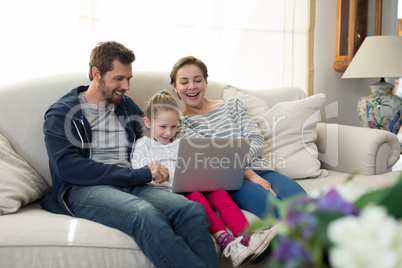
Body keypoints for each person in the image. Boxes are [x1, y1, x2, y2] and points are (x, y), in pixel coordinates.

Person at [40, 41, 219, 268]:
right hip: (83, 189)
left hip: (130, 183)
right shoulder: (62, 113)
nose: (126, 86)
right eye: (119, 79)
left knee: (191, 210)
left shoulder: (125, 106)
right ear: (97, 74)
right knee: (143, 214)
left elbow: (158, 135)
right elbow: (68, 167)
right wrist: (141, 174)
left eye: (129, 79)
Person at [131, 90, 277, 267]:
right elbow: (139, 170)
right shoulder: (143, 145)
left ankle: (247, 237)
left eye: (174, 127)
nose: (168, 132)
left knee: (220, 193)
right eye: (163, 127)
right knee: (198, 199)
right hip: (171, 192)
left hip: (193, 183)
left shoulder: (179, 143)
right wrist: (156, 175)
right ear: (148, 122)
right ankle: (228, 244)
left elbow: (196, 163)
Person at [169, 56, 308, 218]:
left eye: (197, 80)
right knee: (278, 214)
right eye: (184, 82)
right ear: (175, 87)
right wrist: (247, 173)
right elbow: (209, 159)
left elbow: (256, 141)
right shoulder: (178, 122)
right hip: (231, 182)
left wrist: (246, 168)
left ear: (206, 82)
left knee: (308, 207)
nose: (191, 87)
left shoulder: (233, 105)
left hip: (262, 169)